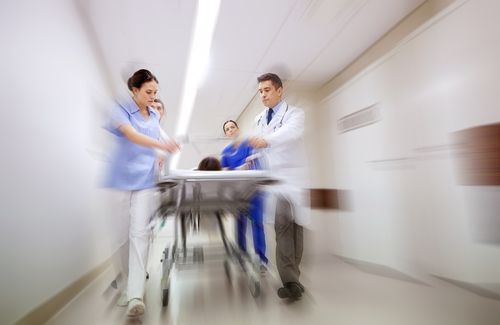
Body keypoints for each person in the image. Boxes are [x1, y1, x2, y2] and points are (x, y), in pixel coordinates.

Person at [105, 69, 180, 317]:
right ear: (135, 90)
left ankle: (136, 294)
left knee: (139, 235)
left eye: (155, 92)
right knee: (121, 239)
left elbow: (160, 139)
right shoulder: (122, 109)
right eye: (148, 92)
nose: (153, 96)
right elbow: (131, 135)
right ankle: (128, 285)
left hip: (145, 182)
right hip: (119, 180)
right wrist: (161, 146)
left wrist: (162, 150)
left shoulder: (155, 117)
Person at [249, 73, 309, 300]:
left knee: (295, 231)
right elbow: (263, 146)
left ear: (279, 90)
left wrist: (267, 140)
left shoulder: (295, 114)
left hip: (294, 178)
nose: (262, 94)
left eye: (267, 90)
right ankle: (291, 281)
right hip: (277, 183)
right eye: (260, 91)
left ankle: (294, 278)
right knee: (283, 228)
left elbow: (292, 133)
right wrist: (254, 155)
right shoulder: (259, 119)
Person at [221, 120, 268, 268]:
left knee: (257, 224)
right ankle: (241, 256)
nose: (230, 130)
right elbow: (225, 174)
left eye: (232, 127)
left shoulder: (249, 143)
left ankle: (261, 260)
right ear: (225, 134)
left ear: (238, 128)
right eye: (227, 129)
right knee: (240, 225)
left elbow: (254, 160)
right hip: (237, 194)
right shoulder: (226, 152)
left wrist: (245, 166)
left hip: (254, 191)